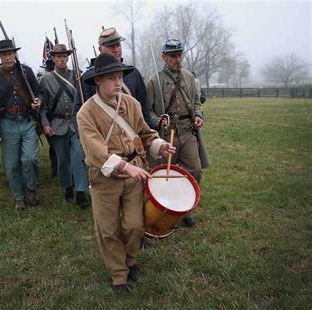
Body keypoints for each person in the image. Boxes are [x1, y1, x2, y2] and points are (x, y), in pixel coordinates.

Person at [77, 53, 175, 294]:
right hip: (105, 178)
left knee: (134, 225)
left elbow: (144, 132)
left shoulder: (132, 104)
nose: (118, 82)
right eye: (111, 78)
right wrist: (125, 166)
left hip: (135, 174)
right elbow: (96, 152)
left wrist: (159, 145)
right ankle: (118, 275)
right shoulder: (85, 113)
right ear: (98, 80)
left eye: (120, 77)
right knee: (108, 230)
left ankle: (130, 261)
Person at [146, 39, 211, 227]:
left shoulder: (189, 77)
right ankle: (167, 210)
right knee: (166, 175)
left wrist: (198, 114)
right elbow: (147, 111)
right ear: (164, 57)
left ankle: (186, 209)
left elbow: (197, 101)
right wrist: (157, 120)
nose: (177, 59)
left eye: (179, 55)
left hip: (187, 131)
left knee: (195, 170)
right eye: (173, 55)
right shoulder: (153, 82)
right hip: (167, 135)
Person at [0, 39, 42, 210]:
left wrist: (38, 101)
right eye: (4, 54)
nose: (8, 57)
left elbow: (38, 92)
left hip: (27, 120)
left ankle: (31, 189)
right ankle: (19, 196)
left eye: (10, 53)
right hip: (7, 124)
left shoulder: (26, 71)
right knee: (11, 165)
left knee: (30, 159)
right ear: (0, 56)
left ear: (14, 54)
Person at [73, 27, 155, 130]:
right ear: (100, 49)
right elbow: (79, 114)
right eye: (111, 46)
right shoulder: (88, 77)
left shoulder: (133, 73)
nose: (116, 50)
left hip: (133, 133)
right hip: (104, 134)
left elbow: (144, 109)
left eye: (118, 45)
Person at [39, 44, 89, 207]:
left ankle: (81, 192)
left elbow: (84, 99)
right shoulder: (46, 79)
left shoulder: (76, 75)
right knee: (63, 160)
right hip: (57, 123)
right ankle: (68, 187)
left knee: (78, 156)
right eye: (58, 56)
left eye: (64, 56)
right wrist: (45, 123)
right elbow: (44, 106)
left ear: (68, 57)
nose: (61, 59)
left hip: (76, 123)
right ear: (53, 58)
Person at [40, 58, 57, 177]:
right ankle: (55, 169)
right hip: (51, 117)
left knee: (53, 146)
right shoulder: (44, 81)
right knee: (54, 146)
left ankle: (55, 169)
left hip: (51, 118)